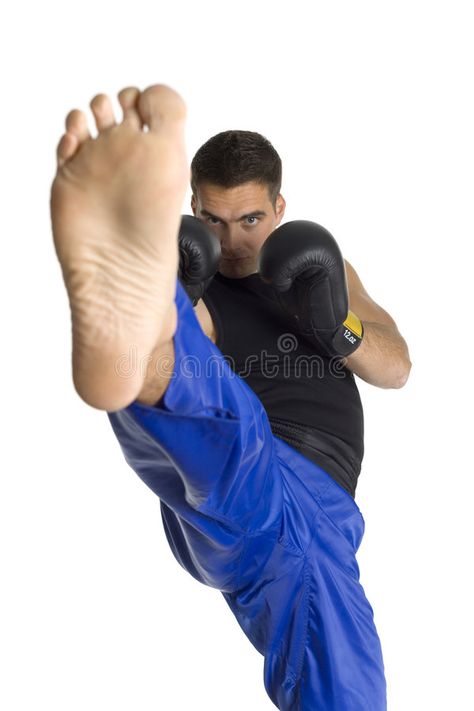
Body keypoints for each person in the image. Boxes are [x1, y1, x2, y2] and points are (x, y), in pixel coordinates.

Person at [50, 83, 411, 710]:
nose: (234, 239)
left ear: (279, 208)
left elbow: (397, 367)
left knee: (207, 418)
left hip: (269, 503)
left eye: (249, 220)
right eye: (212, 221)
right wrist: (184, 287)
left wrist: (335, 326)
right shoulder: (203, 282)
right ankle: (140, 305)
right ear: (191, 207)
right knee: (211, 403)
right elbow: (204, 345)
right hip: (261, 489)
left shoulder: (328, 273)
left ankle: (138, 320)